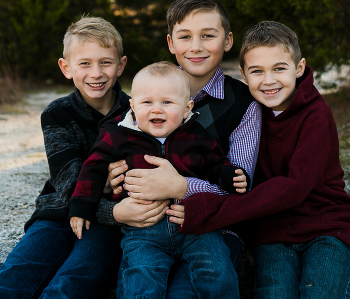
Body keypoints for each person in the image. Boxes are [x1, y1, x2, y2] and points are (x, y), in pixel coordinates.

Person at [172, 21, 350, 299]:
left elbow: (293, 188)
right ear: (243, 74)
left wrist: (209, 210)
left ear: (299, 68)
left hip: (326, 226)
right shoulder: (249, 114)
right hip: (271, 231)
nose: (269, 80)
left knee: (321, 292)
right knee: (275, 293)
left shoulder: (316, 115)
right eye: (257, 71)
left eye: (279, 68)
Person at [107, 0, 262, 297]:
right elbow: (115, 151)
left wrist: (179, 186)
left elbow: (239, 190)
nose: (196, 47)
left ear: (227, 40)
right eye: (185, 36)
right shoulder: (148, 91)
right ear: (170, 43)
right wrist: (112, 178)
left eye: (208, 35)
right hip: (148, 226)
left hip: (214, 229)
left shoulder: (245, 104)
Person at [0, 17, 130, 299]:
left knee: (72, 282)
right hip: (57, 214)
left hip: (109, 223)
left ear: (121, 65)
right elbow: (70, 182)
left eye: (105, 62)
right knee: (13, 278)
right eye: (84, 63)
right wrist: (102, 183)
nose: (96, 73)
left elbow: (127, 184)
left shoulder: (136, 115)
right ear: (66, 68)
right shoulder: (57, 113)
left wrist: (110, 198)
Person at [69, 62, 248, 299]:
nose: (156, 110)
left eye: (167, 102)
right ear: (132, 106)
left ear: (187, 108)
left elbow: (215, 162)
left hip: (193, 225)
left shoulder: (195, 134)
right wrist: (82, 205)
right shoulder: (118, 134)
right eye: (147, 102)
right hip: (143, 230)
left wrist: (228, 176)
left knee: (217, 270)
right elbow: (93, 168)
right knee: (140, 279)